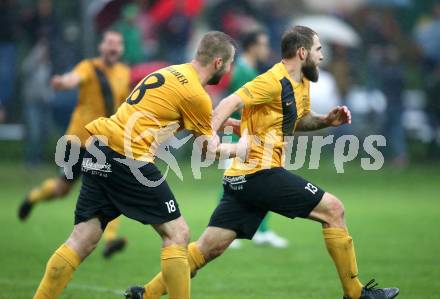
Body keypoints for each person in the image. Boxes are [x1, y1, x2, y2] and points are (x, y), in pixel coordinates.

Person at [125, 26, 399, 299]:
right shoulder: (271, 81)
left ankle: (145, 295)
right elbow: (228, 102)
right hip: (260, 173)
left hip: (243, 177)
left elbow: (298, 121)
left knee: (209, 248)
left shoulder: (301, 83)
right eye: (318, 49)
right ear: (302, 52)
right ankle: (355, 293)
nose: (322, 56)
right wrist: (210, 139)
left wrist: (327, 120)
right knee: (333, 210)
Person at [32, 31, 243, 299]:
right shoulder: (196, 94)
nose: (229, 69)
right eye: (229, 63)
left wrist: (221, 123)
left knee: (81, 238)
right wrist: (243, 147)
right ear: (218, 62)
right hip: (128, 157)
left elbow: (177, 113)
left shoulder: (170, 73)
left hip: (99, 147)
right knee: (178, 234)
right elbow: (209, 150)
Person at [18, 30, 131, 258]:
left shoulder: (124, 72)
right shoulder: (89, 67)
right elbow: (73, 79)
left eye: (117, 44)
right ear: (102, 47)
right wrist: (62, 82)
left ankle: (110, 240)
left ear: (121, 49)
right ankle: (34, 197)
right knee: (62, 189)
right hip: (78, 140)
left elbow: (122, 106)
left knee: (115, 186)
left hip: (104, 142)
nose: (113, 47)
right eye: (109, 43)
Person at [222, 29, 288, 249]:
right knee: (236, 184)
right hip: (241, 135)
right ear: (252, 46)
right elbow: (239, 106)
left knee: (259, 180)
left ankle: (261, 230)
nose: (266, 49)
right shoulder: (241, 71)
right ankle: (225, 230)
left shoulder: (249, 69)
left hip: (250, 135)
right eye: (263, 44)